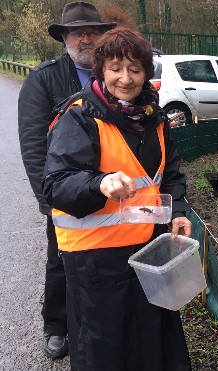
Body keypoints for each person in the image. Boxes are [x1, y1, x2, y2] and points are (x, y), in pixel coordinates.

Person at [42, 26, 192, 370]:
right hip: (96, 260)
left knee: (151, 337)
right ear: (101, 71)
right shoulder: (80, 117)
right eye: (115, 68)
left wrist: (178, 210)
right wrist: (99, 184)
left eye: (135, 69)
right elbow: (56, 185)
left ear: (146, 74)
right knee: (105, 348)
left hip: (148, 250)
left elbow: (168, 175)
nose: (125, 78)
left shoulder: (155, 118)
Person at [17, 1, 116, 359]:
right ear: (65, 39)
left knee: (101, 258)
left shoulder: (113, 74)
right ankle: (56, 325)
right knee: (61, 259)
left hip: (107, 187)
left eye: (92, 30)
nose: (86, 37)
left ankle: (93, 321)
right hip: (63, 189)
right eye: (78, 32)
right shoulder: (44, 79)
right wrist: (48, 200)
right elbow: (32, 145)